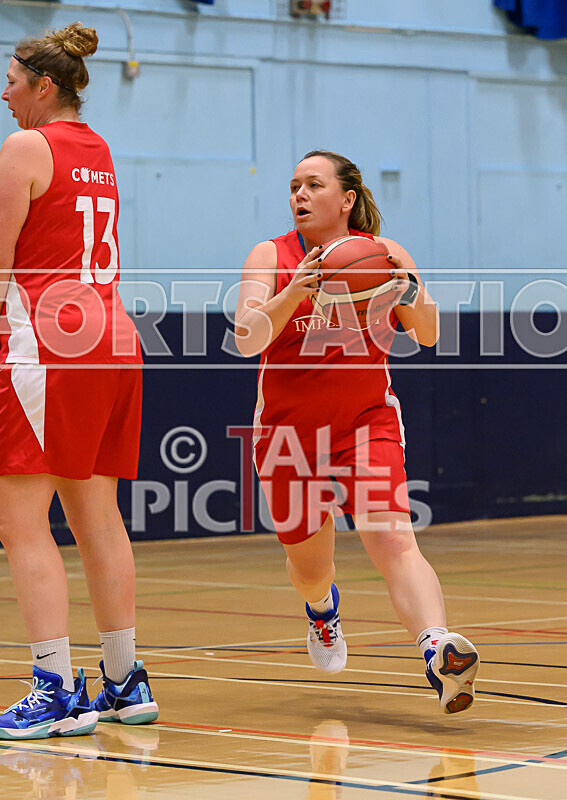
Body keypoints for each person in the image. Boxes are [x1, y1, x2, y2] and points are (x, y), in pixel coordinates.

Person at [235, 150, 479, 714]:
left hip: (366, 421)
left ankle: (437, 648)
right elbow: (247, 338)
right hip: (288, 435)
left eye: (313, 185)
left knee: (394, 540)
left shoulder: (385, 255)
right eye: (293, 185)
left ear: (346, 199)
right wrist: (295, 290)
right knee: (308, 568)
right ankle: (322, 609)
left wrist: (407, 289)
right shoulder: (270, 255)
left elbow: (430, 334)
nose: (298, 195)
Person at [0, 22, 158, 739]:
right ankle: (124, 680)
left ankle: (53, 688)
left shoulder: (24, 147)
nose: (4, 93)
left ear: (45, 85)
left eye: (11, 79)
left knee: (22, 520)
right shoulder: (98, 149)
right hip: (113, 338)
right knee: (97, 518)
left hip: (49, 342)